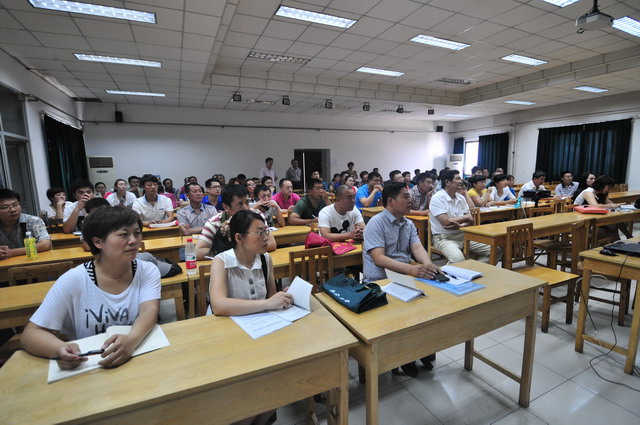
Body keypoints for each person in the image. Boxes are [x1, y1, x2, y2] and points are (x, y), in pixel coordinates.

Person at [21, 206, 160, 370]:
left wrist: (131, 340)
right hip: (93, 366)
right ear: (98, 242)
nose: (134, 240)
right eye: (124, 234)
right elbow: (30, 334)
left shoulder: (146, 270)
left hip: (139, 359)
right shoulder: (74, 279)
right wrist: (58, 349)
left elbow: (149, 311)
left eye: (137, 233)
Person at [207, 210, 290, 425]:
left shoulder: (265, 259)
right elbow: (219, 305)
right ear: (239, 238)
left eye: (266, 231)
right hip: (226, 337)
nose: (266, 237)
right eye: (259, 232)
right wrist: (267, 303)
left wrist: (281, 297)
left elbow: (271, 297)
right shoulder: (221, 261)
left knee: (273, 387)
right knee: (246, 396)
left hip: (256, 331)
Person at [363, 182, 441, 375]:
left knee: (429, 303)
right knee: (405, 312)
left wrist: (428, 264)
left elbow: (417, 248)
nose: (410, 200)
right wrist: (412, 269)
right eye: (405, 197)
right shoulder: (376, 223)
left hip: (403, 278)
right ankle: (405, 356)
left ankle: (421, 349)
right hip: (379, 283)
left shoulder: (408, 223)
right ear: (391, 201)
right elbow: (379, 258)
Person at [430, 170, 497, 264]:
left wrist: (461, 225)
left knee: (495, 251)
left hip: (464, 235)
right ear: (447, 182)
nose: (461, 181)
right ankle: (452, 271)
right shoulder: (437, 198)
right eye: (457, 179)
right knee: (458, 260)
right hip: (445, 238)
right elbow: (446, 222)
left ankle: (471, 269)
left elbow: (471, 220)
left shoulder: (460, 197)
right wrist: (466, 218)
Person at [196, 185, 276, 260]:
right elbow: (198, 252)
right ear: (226, 207)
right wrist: (233, 252)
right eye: (240, 204)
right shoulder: (214, 223)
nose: (246, 208)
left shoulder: (256, 216)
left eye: (247, 202)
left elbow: (271, 243)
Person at [574, 175, 632, 240]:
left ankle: (628, 238)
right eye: (608, 187)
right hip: (581, 222)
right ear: (602, 185)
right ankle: (627, 238)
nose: (609, 190)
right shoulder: (588, 192)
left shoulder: (601, 194)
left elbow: (610, 203)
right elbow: (595, 206)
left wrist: (613, 205)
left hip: (593, 218)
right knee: (613, 229)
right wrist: (610, 206)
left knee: (616, 221)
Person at [0, 188, 51, 260]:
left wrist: (12, 253)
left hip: (31, 262)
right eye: (5, 207)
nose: (13, 210)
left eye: (15, 205)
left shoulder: (33, 221)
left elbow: (45, 244)